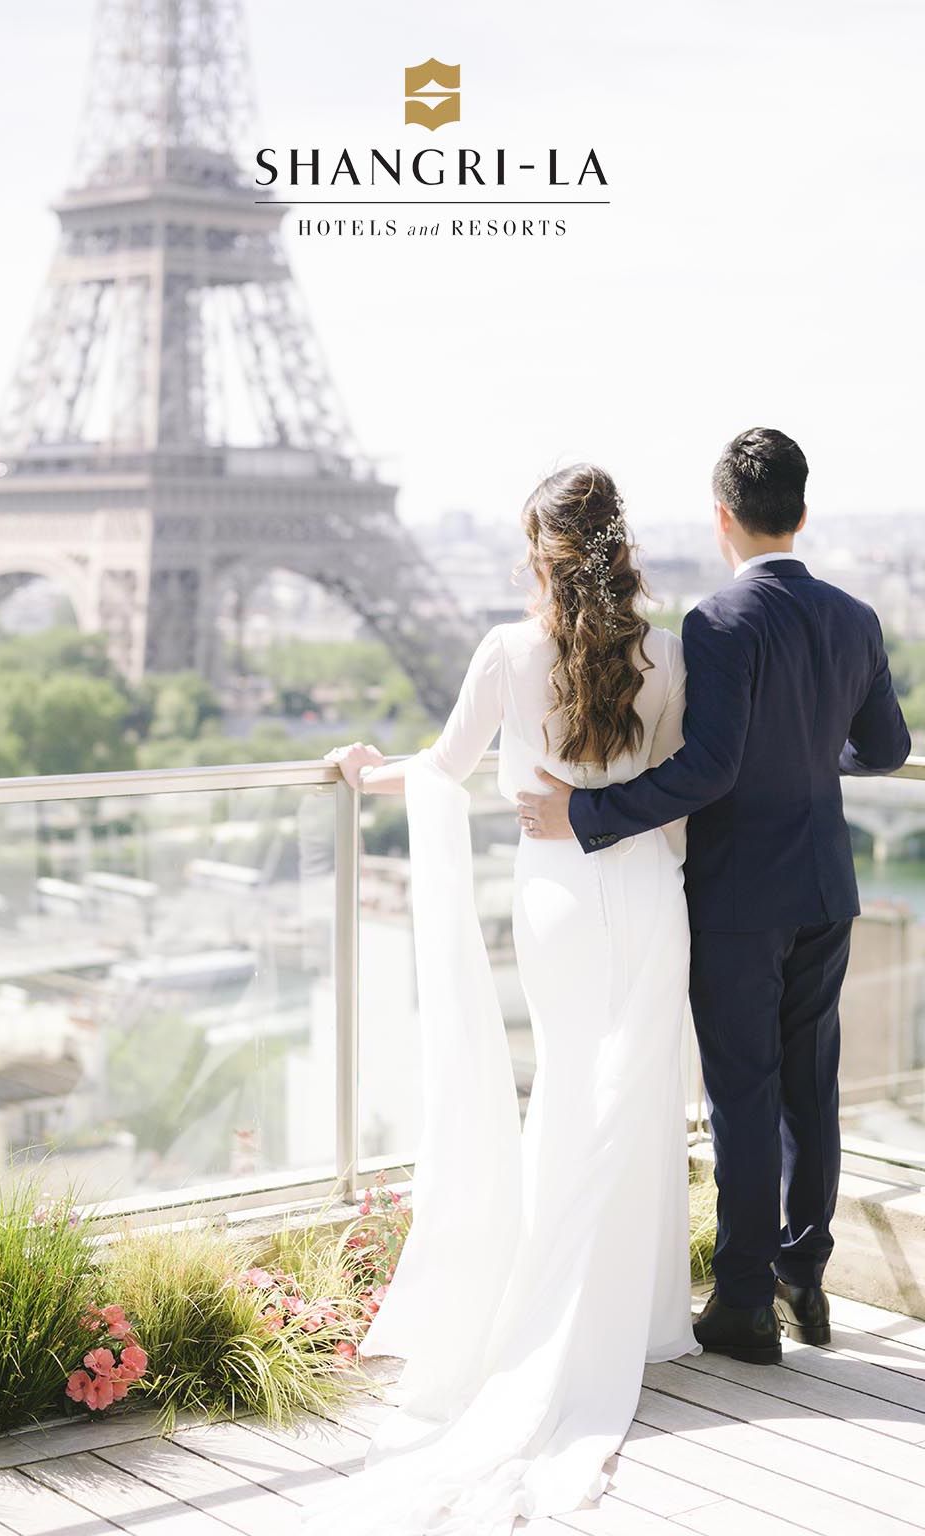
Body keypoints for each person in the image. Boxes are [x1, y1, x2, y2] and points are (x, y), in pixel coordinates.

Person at [302, 464, 699, 1535]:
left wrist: (362, 770)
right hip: (648, 896)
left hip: (558, 900)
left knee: (569, 1096)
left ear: (541, 552)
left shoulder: (505, 652)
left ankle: (553, 1315)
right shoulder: (667, 654)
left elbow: (444, 768)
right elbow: (675, 804)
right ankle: (645, 1318)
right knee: (638, 1098)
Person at [521, 428, 911, 1364]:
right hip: (826, 882)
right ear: (804, 513)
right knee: (810, 1093)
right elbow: (889, 750)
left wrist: (589, 813)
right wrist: (821, 759)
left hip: (740, 894)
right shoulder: (857, 616)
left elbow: (709, 769)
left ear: (723, 517)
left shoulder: (718, 622)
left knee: (743, 1093)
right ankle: (803, 1280)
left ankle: (742, 1305)